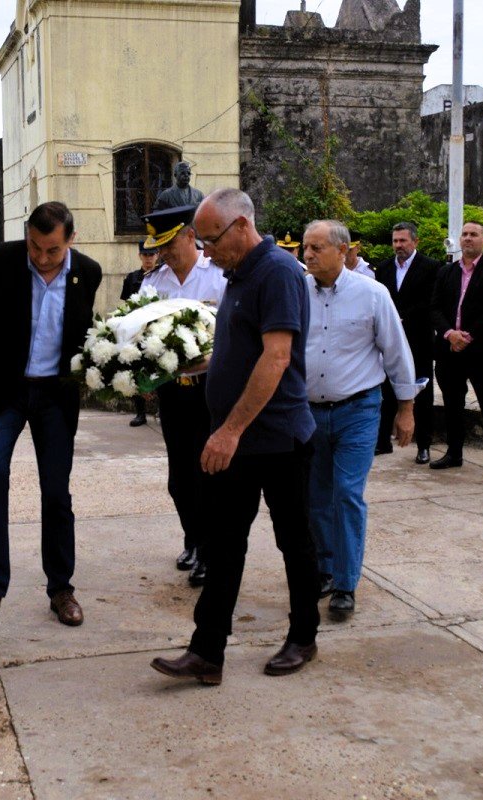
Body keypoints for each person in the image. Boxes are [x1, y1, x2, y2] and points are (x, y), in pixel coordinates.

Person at [150, 188, 320, 685]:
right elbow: (239, 350)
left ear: (242, 226)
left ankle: (303, 636)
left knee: (294, 541)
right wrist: (189, 365)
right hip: (241, 440)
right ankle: (206, 653)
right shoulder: (239, 274)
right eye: (201, 241)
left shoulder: (278, 272)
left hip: (278, 439)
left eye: (211, 239)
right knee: (223, 544)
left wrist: (229, 431)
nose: (206, 250)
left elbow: (276, 358)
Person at [0, 202, 102, 626]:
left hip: (55, 396)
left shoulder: (87, 272)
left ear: (70, 240)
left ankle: (61, 589)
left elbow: (84, 335)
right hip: (7, 392)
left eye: (52, 249)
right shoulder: (0, 259)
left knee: (56, 491)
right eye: (34, 247)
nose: (41, 257)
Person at [302, 220, 421, 620]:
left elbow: (396, 352)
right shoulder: (297, 292)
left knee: (347, 494)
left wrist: (406, 408)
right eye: (306, 247)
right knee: (316, 496)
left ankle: (345, 583)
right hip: (309, 413)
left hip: (358, 410)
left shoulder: (372, 294)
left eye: (317, 247)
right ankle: (325, 567)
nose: (308, 255)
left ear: (342, 250)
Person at [140, 204, 227, 587]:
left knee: (208, 475)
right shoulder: (153, 283)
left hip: (211, 391)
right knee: (179, 479)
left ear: (191, 236)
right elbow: (139, 332)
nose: (164, 253)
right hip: (173, 393)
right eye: (160, 247)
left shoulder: (218, 277)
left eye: (170, 244)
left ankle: (209, 551)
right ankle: (193, 539)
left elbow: (234, 330)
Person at [430, 222, 483, 477]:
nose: (468, 238)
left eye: (473, 234)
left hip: (481, 351)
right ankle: (454, 453)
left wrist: (468, 335)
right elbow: (434, 307)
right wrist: (450, 334)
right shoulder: (446, 272)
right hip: (449, 350)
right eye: (464, 234)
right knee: (452, 404)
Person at [375, 222, 441, 463]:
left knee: (422, 393)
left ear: (415, 241)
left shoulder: (431, 267)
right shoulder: (384, 268)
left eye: (403, 240)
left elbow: (432, 301)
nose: (398, 245)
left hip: (418, 339)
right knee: (386, 390)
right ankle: (382, 441)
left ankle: (423, 445)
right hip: (390, 340)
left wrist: (403, 318)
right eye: (395, 241)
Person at [120, 243, 160, 427]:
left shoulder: (162, 276)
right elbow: (126, 305)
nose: (148, 258)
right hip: (137, 329)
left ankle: (161, 409)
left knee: (162, 367)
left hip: (158, 328)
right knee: (137, 368)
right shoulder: (132, 278)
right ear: (140, 256)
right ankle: (140, 412)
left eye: (151, 255)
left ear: (157, 255)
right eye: (145, 255)